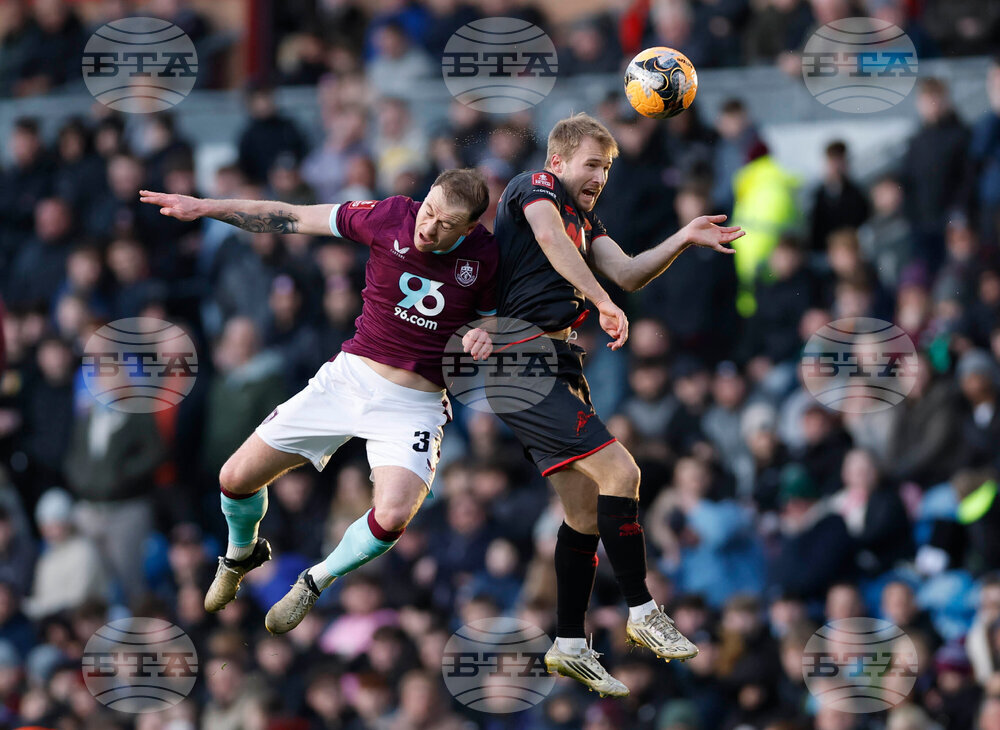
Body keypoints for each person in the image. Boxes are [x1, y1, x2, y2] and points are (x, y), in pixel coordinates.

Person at [140, 168, 496, 633]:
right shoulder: (389, 216)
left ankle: (314, 580)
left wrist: (487, 332)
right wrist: (206, 207)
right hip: (347, 380)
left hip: (413, 403)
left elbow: (502, 319)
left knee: (392, 515)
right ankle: (240, 555)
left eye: (445, 224)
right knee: (234, 478)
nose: (428, 228)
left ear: (469, 227)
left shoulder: (488, 257)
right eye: (428, 211)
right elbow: (290, 216)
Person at [491, 113, 743, 695]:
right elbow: (550, 241)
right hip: (519, 360)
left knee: (583, 511)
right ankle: (643, 611)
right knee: (622, 472)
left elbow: (627, 273)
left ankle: (568, 642)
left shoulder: (584, 219)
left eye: (606, 168)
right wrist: (602, 303)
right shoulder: (534, 187)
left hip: (557, 363)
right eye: (592, 164)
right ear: (558, 161)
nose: (600, 177)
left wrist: (682, 237)